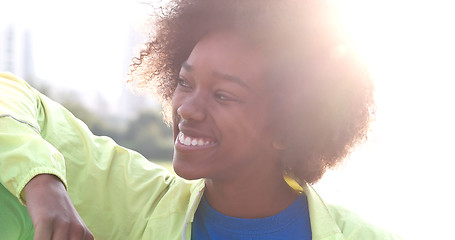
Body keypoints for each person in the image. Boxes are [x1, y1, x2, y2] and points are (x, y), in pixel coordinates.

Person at [0, 0, 402, 239]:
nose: (187, 109)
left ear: (287, 126)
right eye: (184, 82)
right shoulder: (136, 201)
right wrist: (42, 183)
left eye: (223, 95)